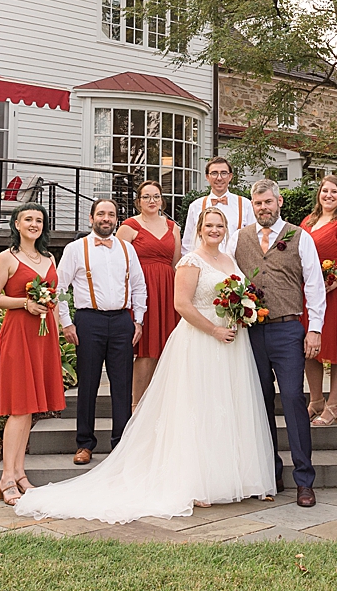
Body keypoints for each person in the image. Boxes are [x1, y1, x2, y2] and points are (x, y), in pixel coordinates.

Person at [15, 207, 276, 522]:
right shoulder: (190, 261)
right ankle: (197, 481)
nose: (214, 230)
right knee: (195, 408)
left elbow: (139, 286)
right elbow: (181, 304)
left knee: (225, 406)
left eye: (219, 225)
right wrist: (215, 329)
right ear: (199, 228)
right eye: (209, 225)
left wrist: (241, 313)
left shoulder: (230, 260)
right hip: (200, 339)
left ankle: (232, 478)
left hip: (229, 343)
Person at [234, 178, 326, 508]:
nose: (264, 208)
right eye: (258, 204)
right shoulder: (239, 238)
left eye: (268, 202)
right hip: (251, 332)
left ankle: (305, 479)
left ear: (279, 202)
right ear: (252, 206)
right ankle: (271, 473)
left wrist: (314, 329)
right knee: (259, 405)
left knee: (291, 400)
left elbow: (315, 285)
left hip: (288, 331)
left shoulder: (299, 237)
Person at [0, 203, 64, 506]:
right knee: (19, 408)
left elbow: (54, 298)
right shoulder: (7, 258)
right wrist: (24, 304)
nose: (34, 224)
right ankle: (6, 478)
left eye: (39, 220)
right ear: (16, 224)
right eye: (28, 219)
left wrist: (55, 338)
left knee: (29, 408)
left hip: (43, 338)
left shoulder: (49, 257)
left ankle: (19, 473)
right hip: (18, 335)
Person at [56, 199, 147, 465]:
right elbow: (60, 288)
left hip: (121, 321)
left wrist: (138, 321)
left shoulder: (127, 249)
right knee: (88, 384)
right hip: (89, 321)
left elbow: (139, 286)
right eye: (101, 214)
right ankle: (84, 444)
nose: (106, 218)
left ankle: (121, 444)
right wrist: (66, 322)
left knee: (122, 385)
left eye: (111, 214)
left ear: (117, 219)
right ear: (91, 218)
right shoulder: (75, 249)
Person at [300, 174, 337, 426]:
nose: (329, 195)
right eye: (325, 191)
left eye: (334, 192)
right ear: (319, 194)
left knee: (336, 349)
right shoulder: (307, 221)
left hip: (334, 295)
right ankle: (315, 400)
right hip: (308, 294)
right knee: (308, 347)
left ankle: (334, 404)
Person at [118, 179, 179, 409]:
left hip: (167, 290)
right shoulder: (129, 226)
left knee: (164, 348)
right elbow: (118, 264)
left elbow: (176, 264)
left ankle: (160, 405)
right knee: (146, 348)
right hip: (141, 290)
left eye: (156, 196)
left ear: (162, 200)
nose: (152, 201)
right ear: (138, 202)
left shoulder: (173, 227)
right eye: (146, 197)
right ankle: (136, 405)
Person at [181, 156, 255, 256]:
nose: (219, 178)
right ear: (207, 177)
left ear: (230, 176)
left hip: (236, 265)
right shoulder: (196, 206)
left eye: (224, 173)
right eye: (214, 173)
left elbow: (253, 240)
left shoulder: (245, 204)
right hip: (205, 265)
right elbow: (187, 245)